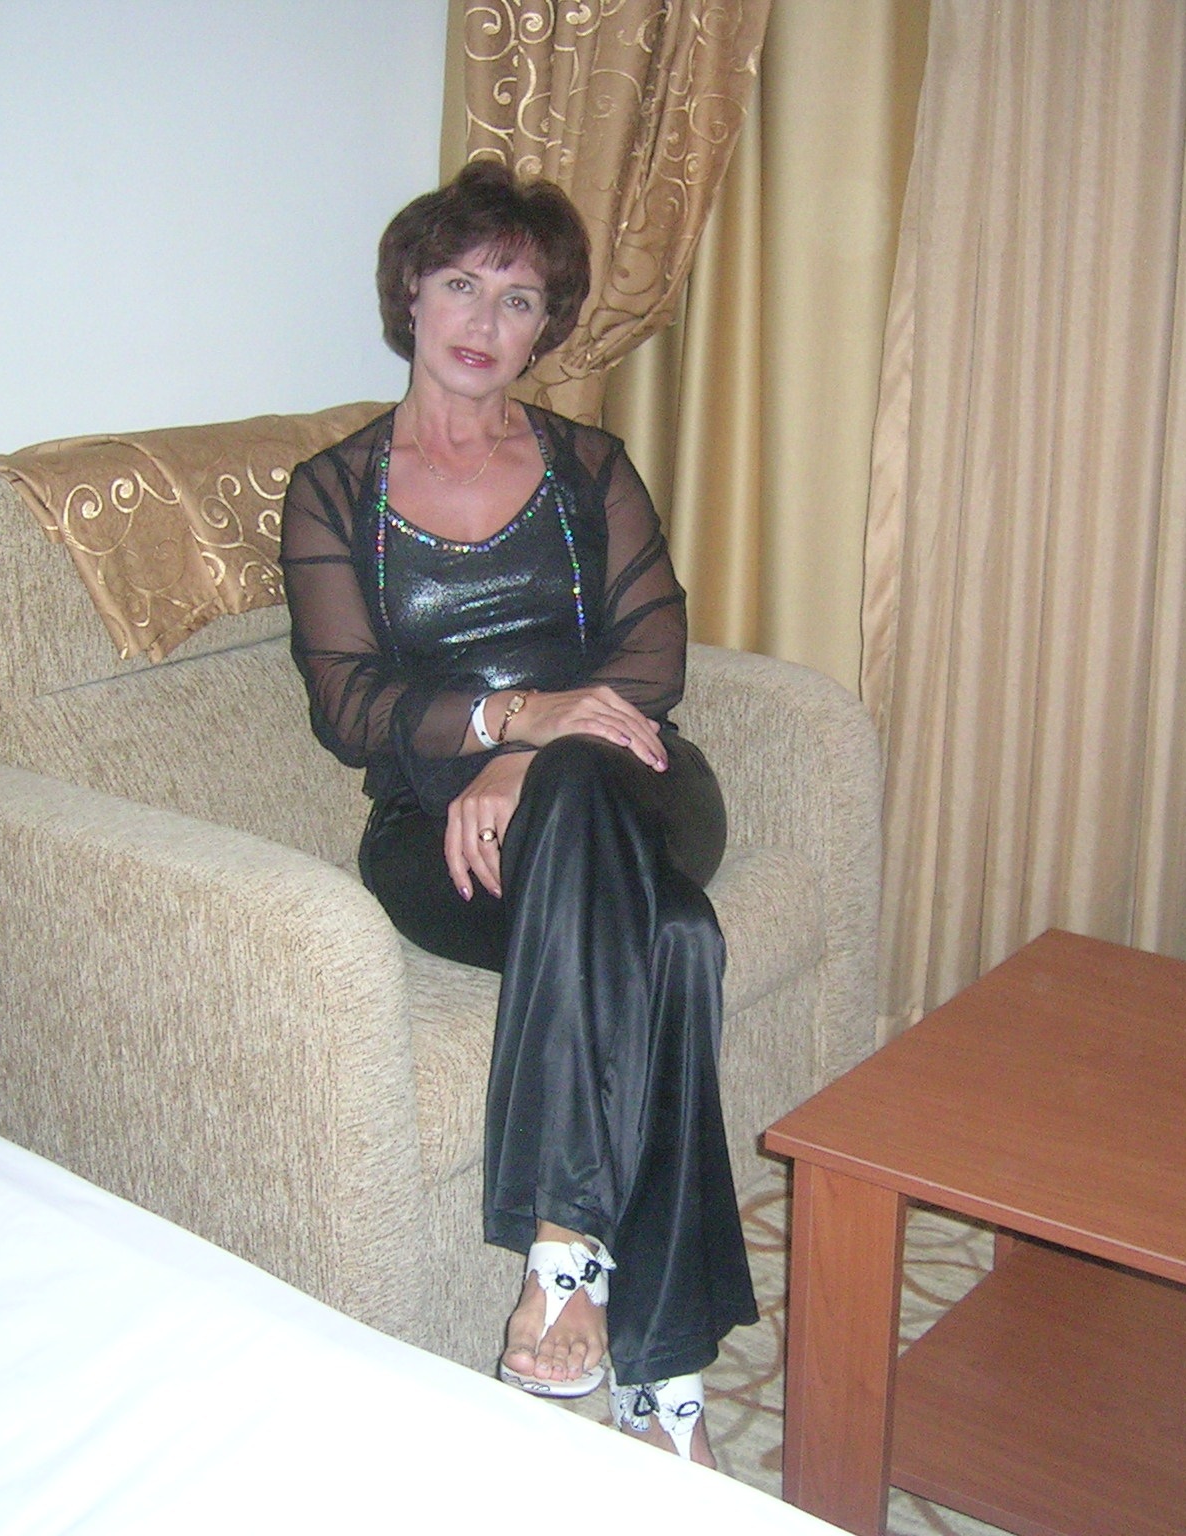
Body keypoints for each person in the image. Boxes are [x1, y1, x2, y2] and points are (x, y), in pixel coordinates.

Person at [278, 161, 757, 1465]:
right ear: (411, 298)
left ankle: (562, 1246)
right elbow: (349, 705)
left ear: (547, 325)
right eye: (460, 284)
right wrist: (508, 726)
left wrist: (540, 756)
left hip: (629, 782)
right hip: (438, 835)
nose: (485, 320)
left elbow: (653, 660)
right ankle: (664, 1373)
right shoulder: (334, 492)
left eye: (520, 297)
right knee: (674, 941)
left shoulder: (589, 467)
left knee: (586, 792)